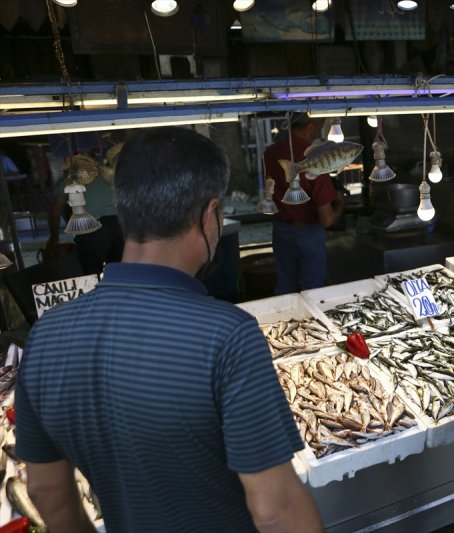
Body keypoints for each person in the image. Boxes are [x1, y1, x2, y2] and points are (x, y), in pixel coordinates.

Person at [15, 127, 323, 532]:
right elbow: (276, 511)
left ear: (126, 212)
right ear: (208, 216)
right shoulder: (228, 337)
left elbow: (46, 490)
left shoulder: (45, 337)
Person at [263, 114, 344, 294]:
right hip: (308, 231)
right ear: (309, 127)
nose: (319, 131)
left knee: (285, 286)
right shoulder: (317, 158)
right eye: (320, 126)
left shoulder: (270, 153)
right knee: (312, 290)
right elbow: (327, 220)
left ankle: (285, 318)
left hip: (280, 229)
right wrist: (339, 205)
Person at [44, 151, 124, 274]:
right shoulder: (109, 174)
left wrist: (54, 237)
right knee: (119, 275)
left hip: (92, 230)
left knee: (91, 277)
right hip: (119, 228)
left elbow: (55, 212)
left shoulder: (71, 178)